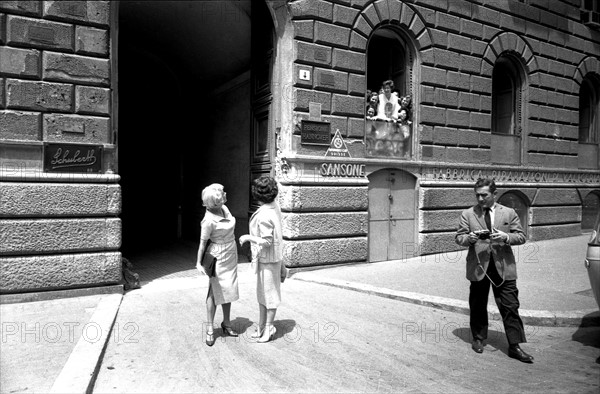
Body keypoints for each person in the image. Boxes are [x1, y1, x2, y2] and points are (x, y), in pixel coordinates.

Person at [455, 178, 534, 363]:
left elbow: (521, 236)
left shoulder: (508, 212)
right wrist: (470, 238)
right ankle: (478, 339)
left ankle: (515, 346)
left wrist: (506, 237)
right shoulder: (468, 214)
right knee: (477, 305)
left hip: (503, 267)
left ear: (494, 194)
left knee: (510, 306)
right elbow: (459, 237)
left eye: (485, 195)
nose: (481, 199)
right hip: (479, 267)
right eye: (478, 195)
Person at [239, 176, 287, 343]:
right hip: (271, 258)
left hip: (268, 259)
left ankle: (268, 328)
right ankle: (261, 327)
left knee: (269, 296)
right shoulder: (275, 206)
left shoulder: (265, 214)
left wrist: (248, 237)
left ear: (256, 194)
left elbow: (266, 241)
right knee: (263, 295)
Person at [196, 183, 239, 347]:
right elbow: (202, 243)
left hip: (231, 252)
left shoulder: (224, 209)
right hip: (218, 256)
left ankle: (226, 324)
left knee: (229, 288)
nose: (226, 194)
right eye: (222, 194)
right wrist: (198, 263)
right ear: (215, 202)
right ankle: (209, 328)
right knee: (214, 292)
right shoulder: (208, 221)